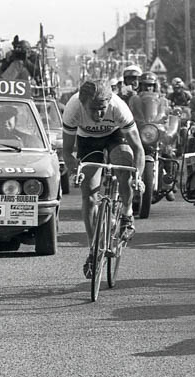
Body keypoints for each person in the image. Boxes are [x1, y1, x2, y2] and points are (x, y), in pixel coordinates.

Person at [62, 79, 146, 278]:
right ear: (83, 104)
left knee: (124, 165)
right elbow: (66, 152)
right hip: (87, 141)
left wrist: (138, 176)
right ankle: (93, 250)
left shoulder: (119, 108)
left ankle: (127, 212)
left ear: (110, 102)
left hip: (116, 136)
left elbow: (139, 149)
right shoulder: (73, 109)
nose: (99, 114)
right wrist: (75, 170)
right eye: (94, 109)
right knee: (89, 195)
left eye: (103, 108)